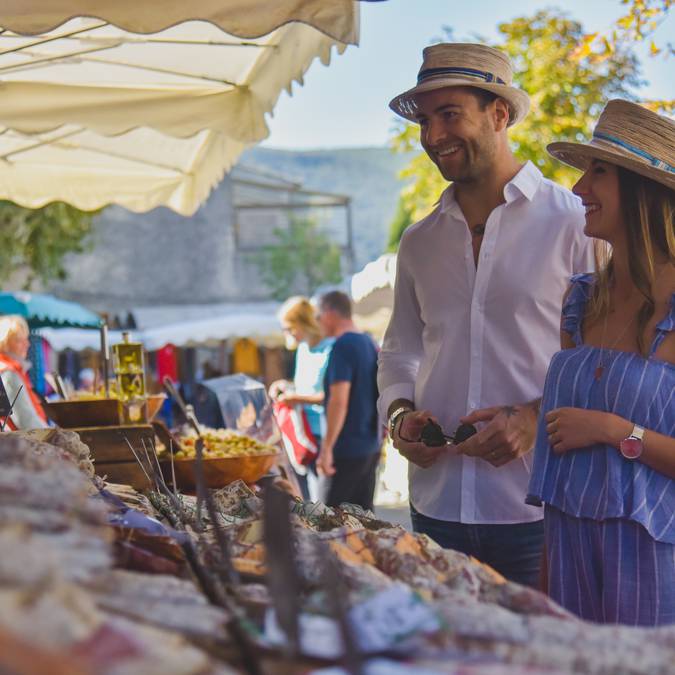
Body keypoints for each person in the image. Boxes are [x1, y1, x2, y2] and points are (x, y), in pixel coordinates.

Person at [378, 43, 595, 588]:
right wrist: (399, 417)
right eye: (425, 121)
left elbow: (606, 356)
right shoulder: (419, 241)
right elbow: (400, 350)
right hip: (434, 510)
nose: (432, 137)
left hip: (541, 509)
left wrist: (532, 420)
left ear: (500, 114)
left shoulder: (574, 224)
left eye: (449, 114)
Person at [527, 100, 674, 625]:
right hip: (567, 556)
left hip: (655, 567)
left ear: (644, 191)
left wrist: (617, 431)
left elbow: (603, 431)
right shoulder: (581, 301)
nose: (578, 188)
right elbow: (560, 467)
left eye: (599, 172)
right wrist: (546, 593)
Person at [316, 291, 380, 510]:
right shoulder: (368, 342)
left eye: (319, 316)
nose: (318, 323)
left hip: (346, 449)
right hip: (369, 445)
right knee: (363, 520)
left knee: (328, 521)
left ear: (330, 313)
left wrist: (326, 449)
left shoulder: (342, 346)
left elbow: (338, 401)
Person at [270, 296, 334, 500]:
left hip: (325, 433)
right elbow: (306, 387)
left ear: (303, 323)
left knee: (321, 500)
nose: (287, 334)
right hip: (303, 434)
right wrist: (286, 386)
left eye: (289, 328)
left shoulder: (331, 349)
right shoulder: (304, 349)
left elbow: (332, 396)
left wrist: (296, 398)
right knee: (308, 497)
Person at [0, 315, 48, 430]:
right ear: (4, 343)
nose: (27, 344)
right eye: (19, 340)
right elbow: (26, 421)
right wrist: (52, 435)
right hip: (21, 443)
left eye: (26, 339)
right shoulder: (8, 373)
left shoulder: (13, 369)